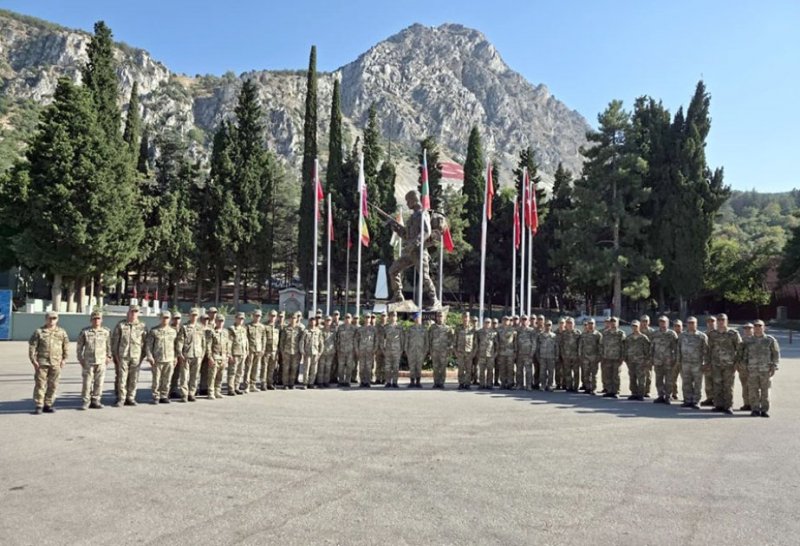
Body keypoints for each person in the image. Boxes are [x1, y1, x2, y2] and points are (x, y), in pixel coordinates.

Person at [387, 190, 440, 307]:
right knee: (393, 270)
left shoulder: (422, 214)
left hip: (419, 252)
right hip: (410, 253)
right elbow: (407, 235)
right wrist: (396, 228)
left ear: (414, 200)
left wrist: (414, 243)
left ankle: (434, 300)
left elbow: (426, 231)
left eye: (408, 201)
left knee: (424, 276)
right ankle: (398, 296)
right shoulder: (412, 217)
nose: (407, 204)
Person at [29, 311, 69, 414]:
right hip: (42, 363)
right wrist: (33, 361)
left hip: (56, 363)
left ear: (57, 319)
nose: (51, 320)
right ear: (46, 319)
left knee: (53, 384)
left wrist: (64, 359)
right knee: (40, 384)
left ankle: (48, 404)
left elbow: (65, 347)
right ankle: (39, 405)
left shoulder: (62, 332)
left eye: (54, 318)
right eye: (49, 318)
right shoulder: (39, 332)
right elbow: (32, 347)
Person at [111, 304, 147, 406]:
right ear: (128, 312)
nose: (134, 313)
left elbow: (145, 342)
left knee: (134, 378)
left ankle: (131, 397)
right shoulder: (121, 325)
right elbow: (115, 341)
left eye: (136, 312)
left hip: (136, 356)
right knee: (122, 378)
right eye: (132, 311)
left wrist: (142, 356)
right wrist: (115, 355)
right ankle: (121, 398)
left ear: (138, 313)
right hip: (123, 356)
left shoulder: (142, 326)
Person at [742, 320, 780, 417]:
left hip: (765, 370)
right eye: (756, 326)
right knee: (753, 390)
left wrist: (774, 366)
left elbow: (775, 354)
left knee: (765, 391)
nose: (758, 327)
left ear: (764, 327)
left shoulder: (770, 340)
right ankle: (755, 409)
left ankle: (764, 410)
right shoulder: (748, 341)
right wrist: (744, 367)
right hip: (752, 369)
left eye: (760, 326)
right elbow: (745, 355)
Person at [707, 313, 742, 415]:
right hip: (716, 364)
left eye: (723, 320)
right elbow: (708, 349)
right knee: (717, 384)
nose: (721, 322)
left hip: (729, 365)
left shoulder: (733, 334)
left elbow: (740, 349)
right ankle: (718, 405)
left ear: (727, 321)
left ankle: (728, 406)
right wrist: (708, 362)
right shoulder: (712, 334)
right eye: (719, 320)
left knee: (728, 386)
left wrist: (737, 363)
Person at [76, 311, 112, 410]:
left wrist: (109, 356)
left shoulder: (106, 332)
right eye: (94, 319)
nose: (96, 320)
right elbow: (79, 347)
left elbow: (109, 345)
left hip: (101, 361)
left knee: (99, 382)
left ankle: (96, 400)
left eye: (98, 318)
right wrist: (80, 358)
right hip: (88, 361)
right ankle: (86, 401)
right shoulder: (85, 332)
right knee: (87, 383)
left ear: (101, 320)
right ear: (91, 320)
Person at [145, 311, 179, 404]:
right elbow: (148, 345)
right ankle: (156, 396)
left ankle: (164, 395)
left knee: (167, 379)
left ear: (170, 319)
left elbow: (176, 346)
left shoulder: (173, 331)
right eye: (163, 317)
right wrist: (150, 356)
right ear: (160, 318)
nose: (165, 319)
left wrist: (176, 357)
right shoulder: (154, 331)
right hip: (157, 359)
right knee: (156, 380)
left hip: (169, 358)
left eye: (167, 318)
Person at [678, 317, 709, 409]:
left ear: (696, 324)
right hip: (685, 363)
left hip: (697, 364)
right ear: (686, 324)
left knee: (697, 383)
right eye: (689, 323)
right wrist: (678, 361)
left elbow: (706, 351)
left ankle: (696, 401)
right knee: (686, 382)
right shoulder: (682, 335)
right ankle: (687, 400)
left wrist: (705, 363)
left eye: (693, 323)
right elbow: (678, 349)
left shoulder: (702, 336)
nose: (691, 325)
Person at [176, 308, 205, 402]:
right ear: (189, 316)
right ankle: (184, 395)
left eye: (196, 315)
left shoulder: (200, 327)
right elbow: (180, 341)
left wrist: (202, 354)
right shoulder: (184, 327)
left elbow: (203, 342)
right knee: (184, 376)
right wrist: (180, 353)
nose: (194, 317)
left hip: (197, 354)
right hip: (186, 354)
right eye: (192, 315)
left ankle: (191, 393)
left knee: (195, 376)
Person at [650, 316, 678, 404]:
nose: (662, 324)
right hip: (657, 360)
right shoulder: (655, 334)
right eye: (661, 322)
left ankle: (668, 396)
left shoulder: (672, 334)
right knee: (658, 379)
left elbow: (676, 348)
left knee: (669, 380)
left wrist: (675, 360)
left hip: (668, 361)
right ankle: (660, 395)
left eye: (664, 322)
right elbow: (652, 347)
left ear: (668, 323)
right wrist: (651, 358)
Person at [624, 320, 651, 401]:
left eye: (636, 326)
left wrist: (647, 360)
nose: (634, 328)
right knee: (632, 377)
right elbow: (625, 349)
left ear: (639, 327)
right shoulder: (628, 338)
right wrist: (626, 359)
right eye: (633, 326)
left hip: (641, 361)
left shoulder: (643, 338)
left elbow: (647, 350)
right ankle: (634, 393)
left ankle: (640, 394)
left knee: (641, 378)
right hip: (631, 361)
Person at [600, 317, 625, 398]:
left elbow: (623, 346)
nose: (613, 323)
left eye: (615, 322)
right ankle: (609, 391)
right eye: (611, 322)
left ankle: (616, 391)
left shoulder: (620, 333)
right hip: (607, 357)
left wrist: (622, 357)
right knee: (608, 375)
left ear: (617, 323)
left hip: (617, 358)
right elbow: (602, 345)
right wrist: (602, 355)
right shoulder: (605, 333)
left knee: (616, 375)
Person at [207, 315, 231, 399]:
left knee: (220, 376)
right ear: (216, 322)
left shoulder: (225, 332)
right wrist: (210, 357)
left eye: (222, 321)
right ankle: (211, 392)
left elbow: (228, 344)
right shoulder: (212, 332)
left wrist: (228, 355)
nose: (220, 323)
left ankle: (217, 391)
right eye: (219, 321)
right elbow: (208, 346)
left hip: (223, 357)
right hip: (215, 356)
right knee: (212, 376)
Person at [429, 310, 453, 389]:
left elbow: (451, 340)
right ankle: (436, 383)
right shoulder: (432, 328)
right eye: (438, 316)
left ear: (444, 317)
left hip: (444, 351)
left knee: (443, 368)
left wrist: (449, 349)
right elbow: (430, 339)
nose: (440, 318)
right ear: (436, 317)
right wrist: (430, 350)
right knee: (435, 367)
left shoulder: (448, 328)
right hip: (435, 351)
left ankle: (442, 383)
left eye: (441, 316)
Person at [226, 312, 249, 396]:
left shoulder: (243, 329)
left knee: (239, 372)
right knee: (232, 372)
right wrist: (229, 354)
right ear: (235, 319)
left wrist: (247, 351)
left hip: (242, 353)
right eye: (239, 318)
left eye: (242, 319)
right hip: (235, 353)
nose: (241, 320)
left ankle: (236, 387)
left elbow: (246, 340)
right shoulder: (231, 329)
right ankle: (231, 389)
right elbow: (229, 342)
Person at [578, 318, 602, 395]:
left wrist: (599, 357)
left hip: (594, 358)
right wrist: (580, 355)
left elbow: (600, 347)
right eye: (589, 324)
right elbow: (580, 346)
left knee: (594, 374)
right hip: (585, 357)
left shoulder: (598, 335)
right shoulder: (583, 334)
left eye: (592, 324)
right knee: (586, 373)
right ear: (587, 325)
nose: (590, 325)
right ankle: (587, 388)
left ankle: (593, 388)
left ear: (595, 325)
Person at [279, 312, 303, 389]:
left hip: (296, 352)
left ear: (296, 319)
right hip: (286, 351)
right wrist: (282, 351)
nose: (293, 319)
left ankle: (291, 383)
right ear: (289, 319)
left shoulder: (299, 329)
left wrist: (300, 351)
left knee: (294, 368)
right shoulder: (286, 329)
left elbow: (301, 341)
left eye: (294, 318)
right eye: (292, 318)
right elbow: (282, 341)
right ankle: (285, 384)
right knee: (286, 368)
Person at [404, 313, 428, 388]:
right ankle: (412, 382)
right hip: (411, 351)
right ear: (414, 319)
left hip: (420, 351)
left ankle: (418, 382)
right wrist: (406, 350)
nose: (417, 319)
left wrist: (425, 351)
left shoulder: (424, 329)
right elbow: (406, 340)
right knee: (412, 366)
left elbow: (426, 341)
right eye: (416, 318)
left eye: (419, 318)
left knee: (419, 367)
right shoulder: (410, 329)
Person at [454, 312, 476, 390]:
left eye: (467, 317)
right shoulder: (458, 328)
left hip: (469, 352)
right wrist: (455, 351)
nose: (465, 318)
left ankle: (467, 384)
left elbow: (475, 342)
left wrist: (474, 352)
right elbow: (455, 341)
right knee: (460, 369)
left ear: (469, 318)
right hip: (460, 352)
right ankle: (461, 383)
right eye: (464, 317)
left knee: (468, 369)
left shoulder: (472, 329)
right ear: (462, 318)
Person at [244, 309, 264, 393]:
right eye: (256, 316)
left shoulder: (262, 327)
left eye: (259, 316)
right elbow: (245, 339)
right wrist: (246, 349)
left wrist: (263, 349)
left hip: (258, 349)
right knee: (248, 367)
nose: (257, 317)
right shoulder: (248, 326)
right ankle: (246, 386)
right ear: (253, 316)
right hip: (250, 350)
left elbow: (263, 339)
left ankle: (253, 385)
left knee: (256, 368)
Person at [382, 311, 404, 388]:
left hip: (397, 350)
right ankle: (388, 382)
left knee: (396, 367)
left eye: (395, 316)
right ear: (389, 317)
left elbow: (402, 339)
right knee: (387, 367)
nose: (393, 317)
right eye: (392, 316)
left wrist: (402, 349)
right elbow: (382, 339)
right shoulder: (386, 327)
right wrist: (383, 349)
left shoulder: (400, 327)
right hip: (388, 349)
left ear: (397, 317)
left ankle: (395, 382)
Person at [300, 317, 324, 389]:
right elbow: (302, 341)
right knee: (306, 368)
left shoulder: (318, 331)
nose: (312, 322)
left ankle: (311, 383)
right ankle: (305, 383)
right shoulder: (306, 331)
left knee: (314, 369)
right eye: (311, 321)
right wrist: (302, 351)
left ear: (315, 322)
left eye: (314, 321)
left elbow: (321, 343)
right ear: (309, 322)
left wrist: (320, 352)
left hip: (315, 352)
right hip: (307, 352)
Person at [559, 317, 581, 392]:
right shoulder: (563, 334)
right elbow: (561, 345)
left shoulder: (578, 333)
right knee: (567, 372)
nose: (569, 324)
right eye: (568, 323)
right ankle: (569, 386)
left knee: (576, 372)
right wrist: (563, 354)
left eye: (571, 323)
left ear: (574, 324)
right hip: (566, 356)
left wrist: (579, 355)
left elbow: (580, 345)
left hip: (575, 356)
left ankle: (576, 387)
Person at [515, 316, 536, 391]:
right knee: (519, 370)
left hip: (528, 354)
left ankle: (529, 385)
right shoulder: (517, 330)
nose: (524, 321)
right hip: (519, 354)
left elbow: (534, 343)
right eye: (522, 319)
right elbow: (515, 342)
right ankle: (519, 385)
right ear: (520, 320)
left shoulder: (531, 330)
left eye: (525, 319)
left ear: (528, 321)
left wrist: (532, 353)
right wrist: (516, 352)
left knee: (528, 371)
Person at [537, 320, 560, 392]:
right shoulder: (540, 335)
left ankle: (550, 385)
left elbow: (556, 347)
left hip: (551, 357)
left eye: (549, 325)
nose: (548, 326)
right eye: (546, 325)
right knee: (542, 372)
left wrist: (557, 356)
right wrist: (538, 356)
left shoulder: (554, 336)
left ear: (551, 326)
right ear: (544, 326)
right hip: (542, 356)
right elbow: (538, 347)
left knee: (551, 372)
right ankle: (543, 385)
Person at [475, 318, 498, 389]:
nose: (487, 323)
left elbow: (496, 344)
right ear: (483, 323)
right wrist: (477, 353)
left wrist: (495, 353)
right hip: (481, 354)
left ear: (490, 323)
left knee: (490, 370)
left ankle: (489, 384)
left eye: (489, 322)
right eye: (486, 322)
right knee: (481, 370)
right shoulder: (479, 332)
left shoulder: (494, 333)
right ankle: (481, 384)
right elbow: (476, 343)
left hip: (490, 354)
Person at [356, 314, 378, 388]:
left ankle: (368, 381)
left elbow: (376, 340)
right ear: (364, 318)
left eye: (369, 317)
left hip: (370, 351)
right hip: (361, 350)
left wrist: (374, 349)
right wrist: (357, 349)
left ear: (370, 319)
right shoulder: (360, 329)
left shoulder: (373, 329)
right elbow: (356, 340)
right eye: (366, 317)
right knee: (361, 367)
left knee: (369, 367)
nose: (367, 319)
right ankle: (362, 381)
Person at [496, 316, 517, 390]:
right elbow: (497, 341)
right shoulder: (498, 330)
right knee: (502, 368)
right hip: (501, 352)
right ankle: (503, 383)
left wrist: (515, 351)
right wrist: (497, 351)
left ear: (509, 321)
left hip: (510, 352)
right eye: (504, 320)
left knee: (510, 369)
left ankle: (510, 383)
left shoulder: (513, 330)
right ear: (502, 321)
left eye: (507, 320)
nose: (506, 321)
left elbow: (515, 342)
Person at [336, 313, 357, 387]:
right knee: (341, 366)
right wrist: (337, 349)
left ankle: (347, 381)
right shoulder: (340, 328)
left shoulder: (354, 328)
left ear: (351, 319)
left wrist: (355, 350)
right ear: (344, 319)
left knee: (349, 366)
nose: (347, 319)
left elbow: (356, 340)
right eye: (346, 317)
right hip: (341, 350)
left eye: (349, 317)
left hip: (350, 350)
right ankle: (341, 381)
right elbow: (337, 339)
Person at [261, 310, 280, 390]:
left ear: (276, 317)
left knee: (272, 368)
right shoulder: (264, 326)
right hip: (266, 350)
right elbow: (262, 338)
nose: (272, 317)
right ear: (269, 316)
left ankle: (270, 383)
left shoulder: (277, 327)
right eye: (271, 316)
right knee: (264, 368)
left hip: (274, 350)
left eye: (274, 316)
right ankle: (263, 384)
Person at [737, 323, 754, 410]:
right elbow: (737, 354)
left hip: (754, 367)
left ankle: (754, 404)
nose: (747, 330)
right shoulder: (740, 341)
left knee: (753, 386)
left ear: (753, 329)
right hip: (743, 368)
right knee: (744, 386)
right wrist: (737, 365)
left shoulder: (756, 340)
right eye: (746, 328)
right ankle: (746, 404)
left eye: (749, 328)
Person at [700, 316, 717, 406]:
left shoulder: (719, 333)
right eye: (709, 321)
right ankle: (709, 398)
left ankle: (718, 400)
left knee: (718, 382)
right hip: (707, 361)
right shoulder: (703, 335)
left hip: (718, 362)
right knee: (708, 381)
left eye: (712, 321)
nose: (710, 323)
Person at [317, 316, 337, 388]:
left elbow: (336, 341)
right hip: (322, 352)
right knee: (321, 368)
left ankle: (326, 381)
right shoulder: (320, 330)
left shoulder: (333, 331)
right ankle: (320, 382)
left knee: (328, 368)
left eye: (329, 320)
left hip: (330, 352)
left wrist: (335, 350)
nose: (328, 321)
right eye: (327, 320)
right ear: (324, 321)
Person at [669, 320, 684, 400]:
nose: (677, 327)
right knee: (672, 378)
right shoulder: (671, 335)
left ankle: (687, 396)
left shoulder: (685, 336)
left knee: (686, 379)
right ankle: (674, 393)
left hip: (683, 361)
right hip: (674, 360)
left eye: (679, 326)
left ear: (682, 327)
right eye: (675, 326)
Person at [374, 313, 387, 385]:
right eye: (382, 316)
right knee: (378, 364)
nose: (383, 317)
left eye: (384, 316)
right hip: (378, 348)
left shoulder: (388, 326)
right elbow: (374, 336)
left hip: (386, 348)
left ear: (387, 317)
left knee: (385, 364)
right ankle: (378, 379)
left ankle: (384, 379)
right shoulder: (377, 327)